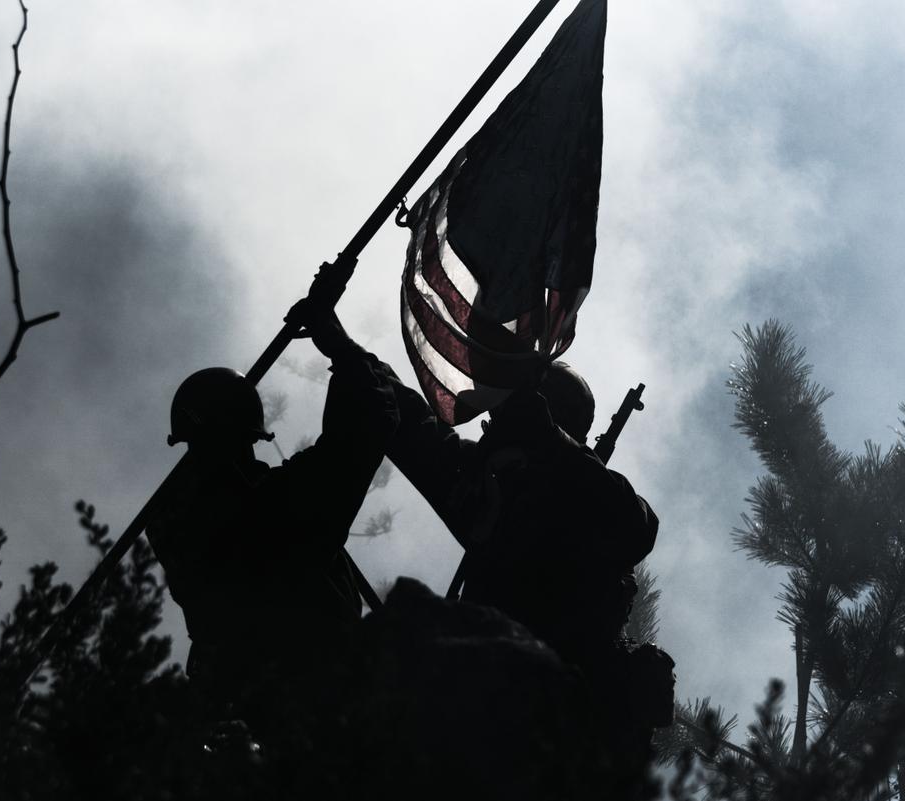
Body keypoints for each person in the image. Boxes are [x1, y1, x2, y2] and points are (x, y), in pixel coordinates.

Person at [382, 360, 668, 797]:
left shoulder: (588, 502)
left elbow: (638, 528)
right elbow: (419, 433)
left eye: (509, 419)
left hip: (560, 734)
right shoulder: (492, 485)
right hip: (481, 712)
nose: (493, 428)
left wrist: (552, 446)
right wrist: (355, 357)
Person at [146, 299, 398, 735]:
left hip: (240, 706)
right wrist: (339, 346)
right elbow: (366, 426)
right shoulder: (276, 507)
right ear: (247, 439)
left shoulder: (174, 526)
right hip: (319, 708)